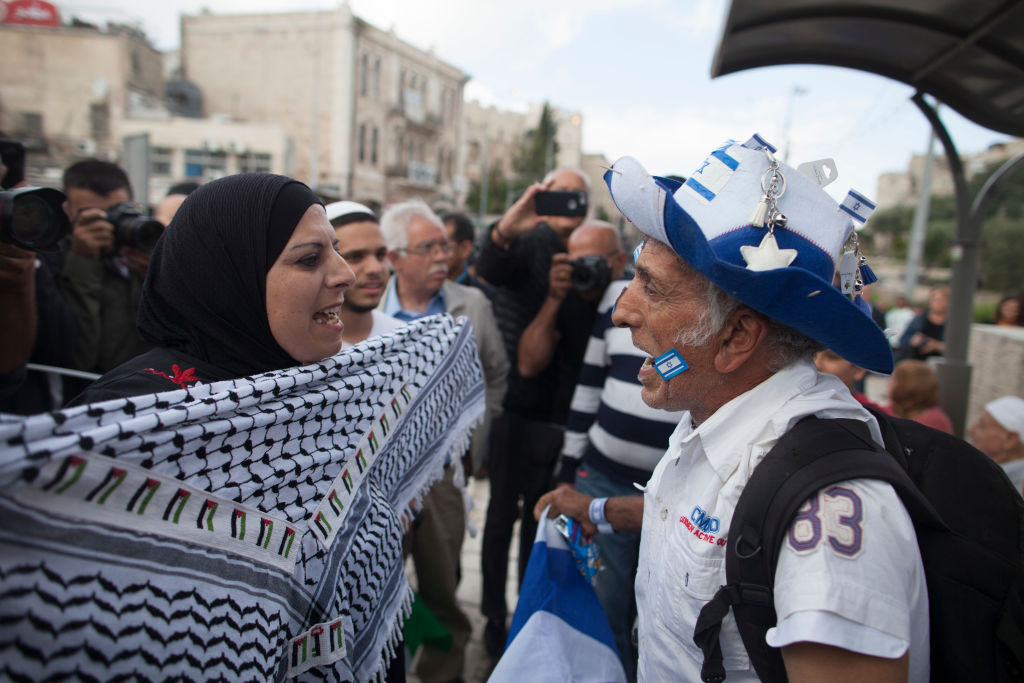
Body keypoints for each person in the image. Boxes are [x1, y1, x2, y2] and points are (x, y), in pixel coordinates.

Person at [536, 136, 928, 681]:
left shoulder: (830, 513)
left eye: (652, 288)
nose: (621, 312)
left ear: (736, 337)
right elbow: (706, 521)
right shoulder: (721, 420)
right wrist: (598, 512)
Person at [69, 173, 355, 404]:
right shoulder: (129, 414)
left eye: (337, 251)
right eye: (309, 259)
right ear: (230, 282)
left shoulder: (332, 386)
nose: (346, 274)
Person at [480, 217, 626, 659]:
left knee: (542, 536)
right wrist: (556, 297)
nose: (585, 270)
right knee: (500, 519)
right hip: (528, 422)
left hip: (586, 445)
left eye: (594, 263)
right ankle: (493, 620)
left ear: (619, 262)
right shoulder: (555, 291)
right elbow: (527, 363)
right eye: (576, 262)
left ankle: (535, 622)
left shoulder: (628, 306)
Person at [378, 198, 509, 683]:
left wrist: (473, 437)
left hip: (442, 481)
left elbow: (495, 375)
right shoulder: (364, 307)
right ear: (394, 257)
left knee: (441, 590)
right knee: (372, 591)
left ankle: (440, 672)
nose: (442, 257)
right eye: (427, 247)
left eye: (445, 246)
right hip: (376, 481)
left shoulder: (470, 306)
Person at [551, 272, 684, 680]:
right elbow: (589, 383)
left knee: (661, 622)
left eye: (652, 283)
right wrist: (569, 471)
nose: (624, 313)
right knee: (602, 607)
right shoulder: (615, 297)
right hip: (602, 474)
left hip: (680, 491)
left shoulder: (707, 302)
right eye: (636, 271)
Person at [60, 159, 152, 375]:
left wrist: (157, 277)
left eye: (118, 211)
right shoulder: (56, 261)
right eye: (93, 216)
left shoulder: (146, 249)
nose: (109, 224)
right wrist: (83, 261)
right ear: (68, 212)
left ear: (134, 206)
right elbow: (79, 357)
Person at [325, 200, 402, 344]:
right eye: (355, 257)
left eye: (380, 255)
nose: (375, 269)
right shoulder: (300, 351)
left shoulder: (403, 339)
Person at [967, 395, 1024, 493]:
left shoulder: (1016, 488)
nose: (971, 430)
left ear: (1010, 439)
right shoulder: (991, 475)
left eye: (982, 425)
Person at [884, 359, 954, 434]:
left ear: (907, 386)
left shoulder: (933, 421)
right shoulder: (893, 409)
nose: (887, 383)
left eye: (893, 379)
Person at [441, 211, 494, 300]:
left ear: (465, 249)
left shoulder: (485, 298)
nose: (437, 256)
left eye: (445, 248)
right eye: (428, 247)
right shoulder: (418, 292)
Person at [814, 349, 885, 412]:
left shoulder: (876, 420)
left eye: (832, 357)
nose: (816, 364)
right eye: (811, 355)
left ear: (858, 369)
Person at [898, 285, 948, 361]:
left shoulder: (952, 325)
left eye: (940, 300)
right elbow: (903, 340)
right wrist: (913, 340)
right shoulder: (919, 319)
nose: (936, 303)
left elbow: (958, 349)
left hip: (940, 366)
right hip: (916, 363)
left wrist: (937, 346)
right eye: (933, 299)